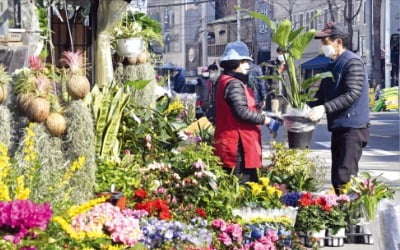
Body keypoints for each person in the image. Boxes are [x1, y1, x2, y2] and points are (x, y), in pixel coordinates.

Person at [307, 22, 370, 195]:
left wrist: (324, 108)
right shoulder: (331, 64)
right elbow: (320, 94)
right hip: (341, 127)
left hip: (353, 128)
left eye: (325, 41)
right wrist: (303, 107)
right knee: (338, 176)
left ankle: (352, 220)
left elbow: (352, 94)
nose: (322, 45)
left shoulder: (352, 62)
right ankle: (344, 214)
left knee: (346, 176)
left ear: (338, 41)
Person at [213, 41, 279, 184]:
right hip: (237, 144)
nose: (248, 66)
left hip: (230, 141)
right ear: (236, 63)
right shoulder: (234, 83)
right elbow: (241, 111)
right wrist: (265, 120)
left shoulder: (223, 80)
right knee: (242, 184)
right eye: (244, 62)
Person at [266, 47, 288, 114]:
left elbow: (296, 79)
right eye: (280, 53)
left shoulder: (290, 66)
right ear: (277, 53)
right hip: (276, 96)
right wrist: (270, 88)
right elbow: (266, 79)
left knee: (288, 119)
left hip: (287, 96)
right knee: (276, 117)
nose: (282, 55)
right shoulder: (272, 65)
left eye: (284, 53)